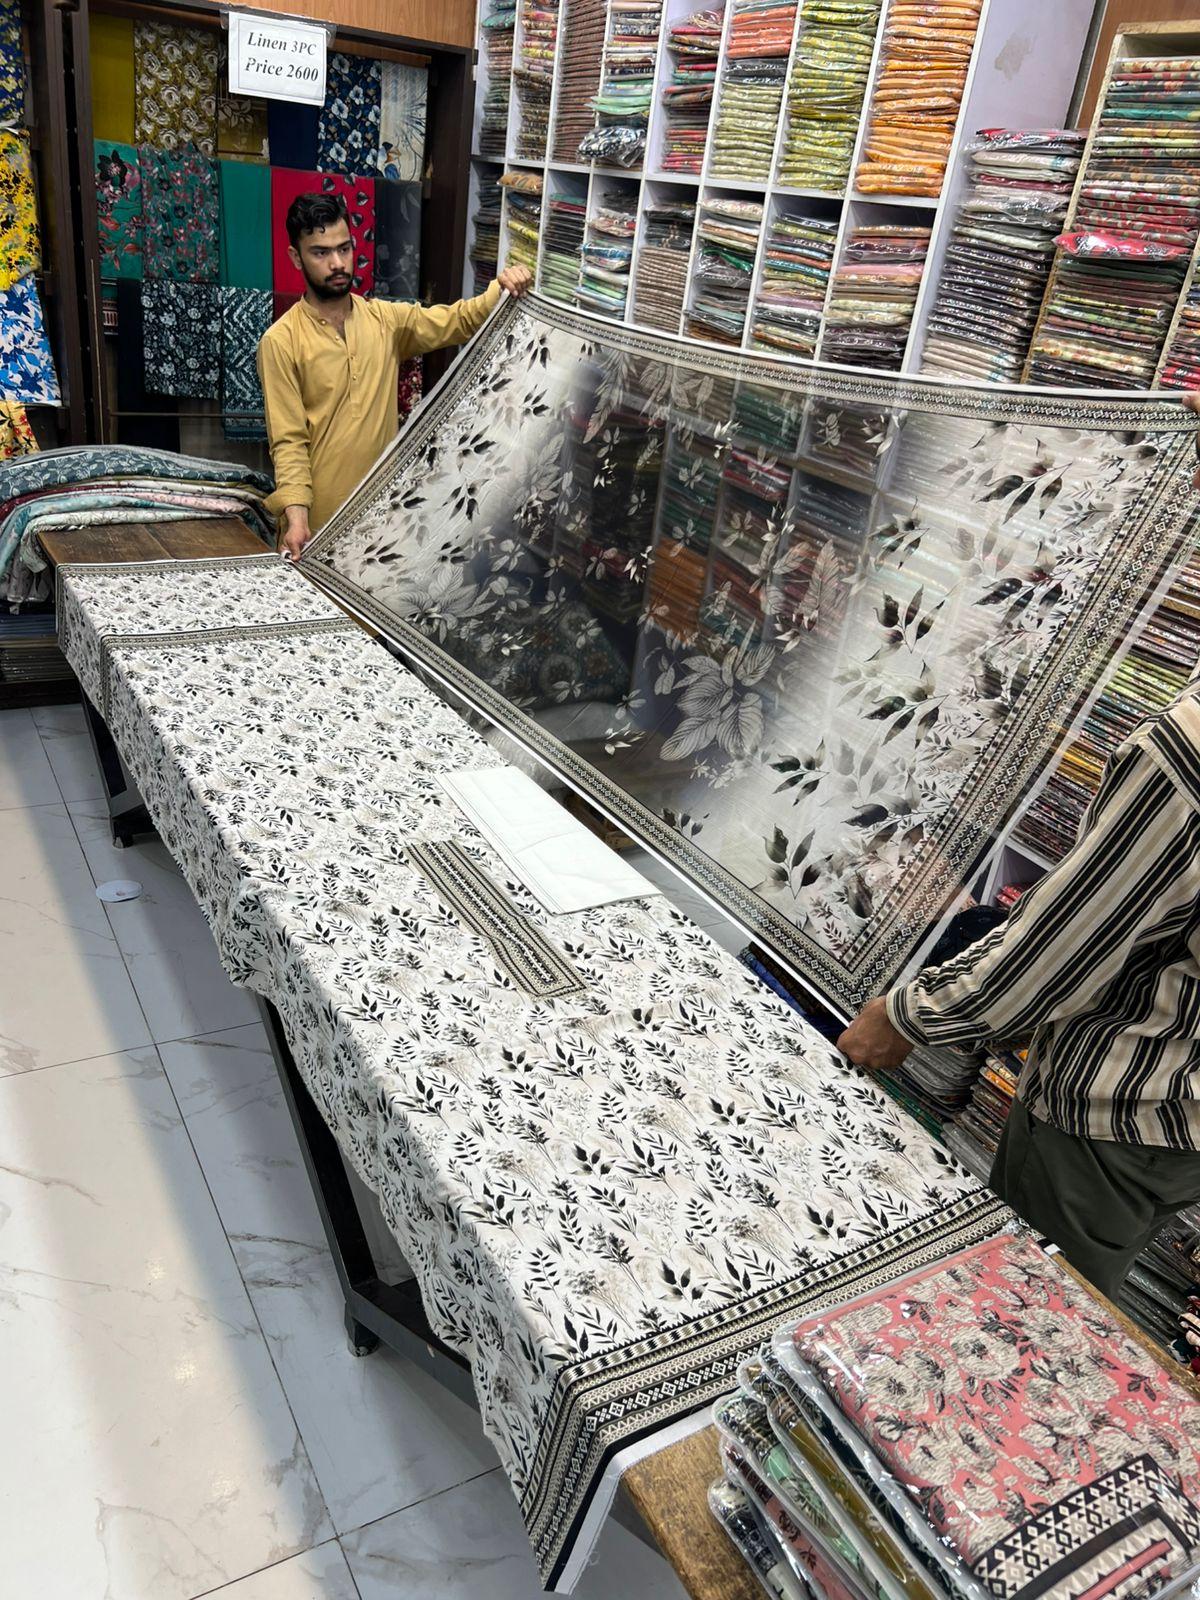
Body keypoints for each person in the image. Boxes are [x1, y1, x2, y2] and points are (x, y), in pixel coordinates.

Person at [838, 397, 1200, 1300]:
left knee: (1028, 1314)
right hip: (1187, 1103)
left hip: (1117, 1111)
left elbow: (1062, 944)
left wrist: (909, 1014)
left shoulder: (1188, 753)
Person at [257, 191, 532, 558]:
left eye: (344, 249)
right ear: (296, 257)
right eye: (320, 253)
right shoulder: (281, 342)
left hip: (380, 520)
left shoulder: (385, 321)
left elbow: (459, 320)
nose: (337, 263)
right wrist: (297, 518)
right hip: (317, 527)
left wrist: (502, 286)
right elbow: (288, 441)